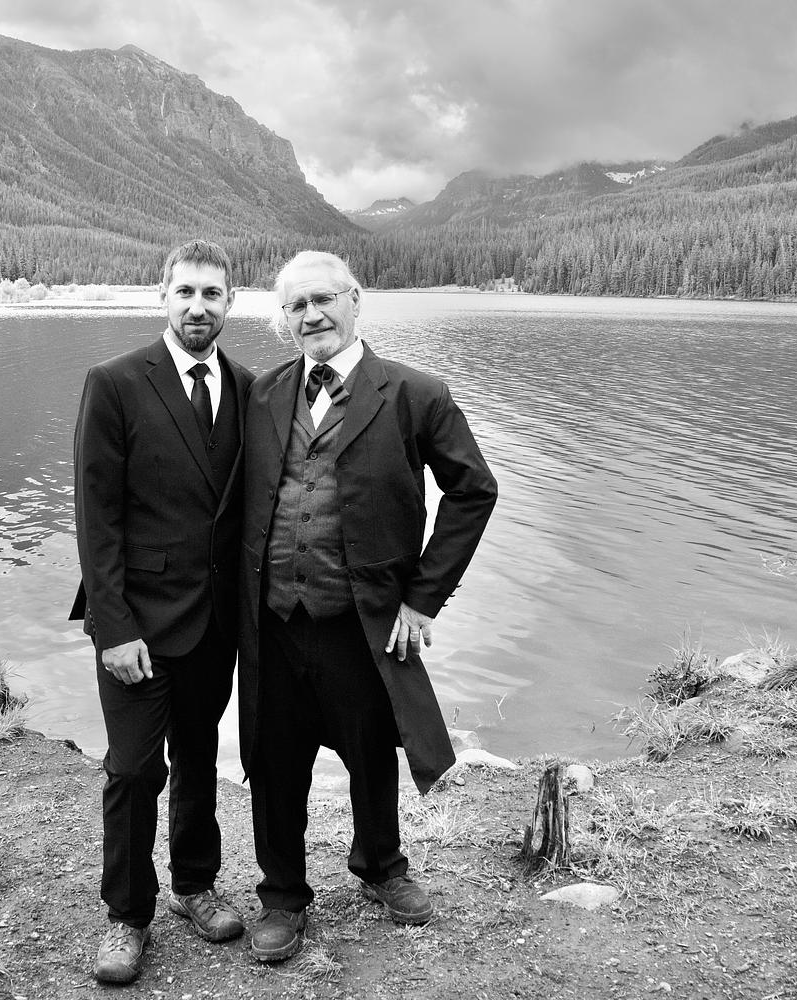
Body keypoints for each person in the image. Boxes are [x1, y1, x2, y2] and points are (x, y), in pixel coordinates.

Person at [237, 250, 497, 962]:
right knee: (274, 762)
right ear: (283, 318)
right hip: (274, 620)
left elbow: (473, 491)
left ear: (355, 300)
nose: (311, 315)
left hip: (364, 619)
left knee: (372, 752)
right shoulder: (263, 394)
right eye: (296, 305)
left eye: (323, 299)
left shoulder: (416, 393)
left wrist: (423, 599)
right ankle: (282, 896)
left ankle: (381, 866)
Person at [70, 240, 254, 984]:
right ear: (162, 297)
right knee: (134, 769)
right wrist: (113, 628)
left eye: (212, 294)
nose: (198, 306)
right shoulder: (114, 382)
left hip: (214, 623)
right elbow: (96, 518)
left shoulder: (248, 388)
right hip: (138, 624)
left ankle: (194, 886)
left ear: (230, 302)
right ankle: (126, 915)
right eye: (185, 292)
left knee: (200, 758)